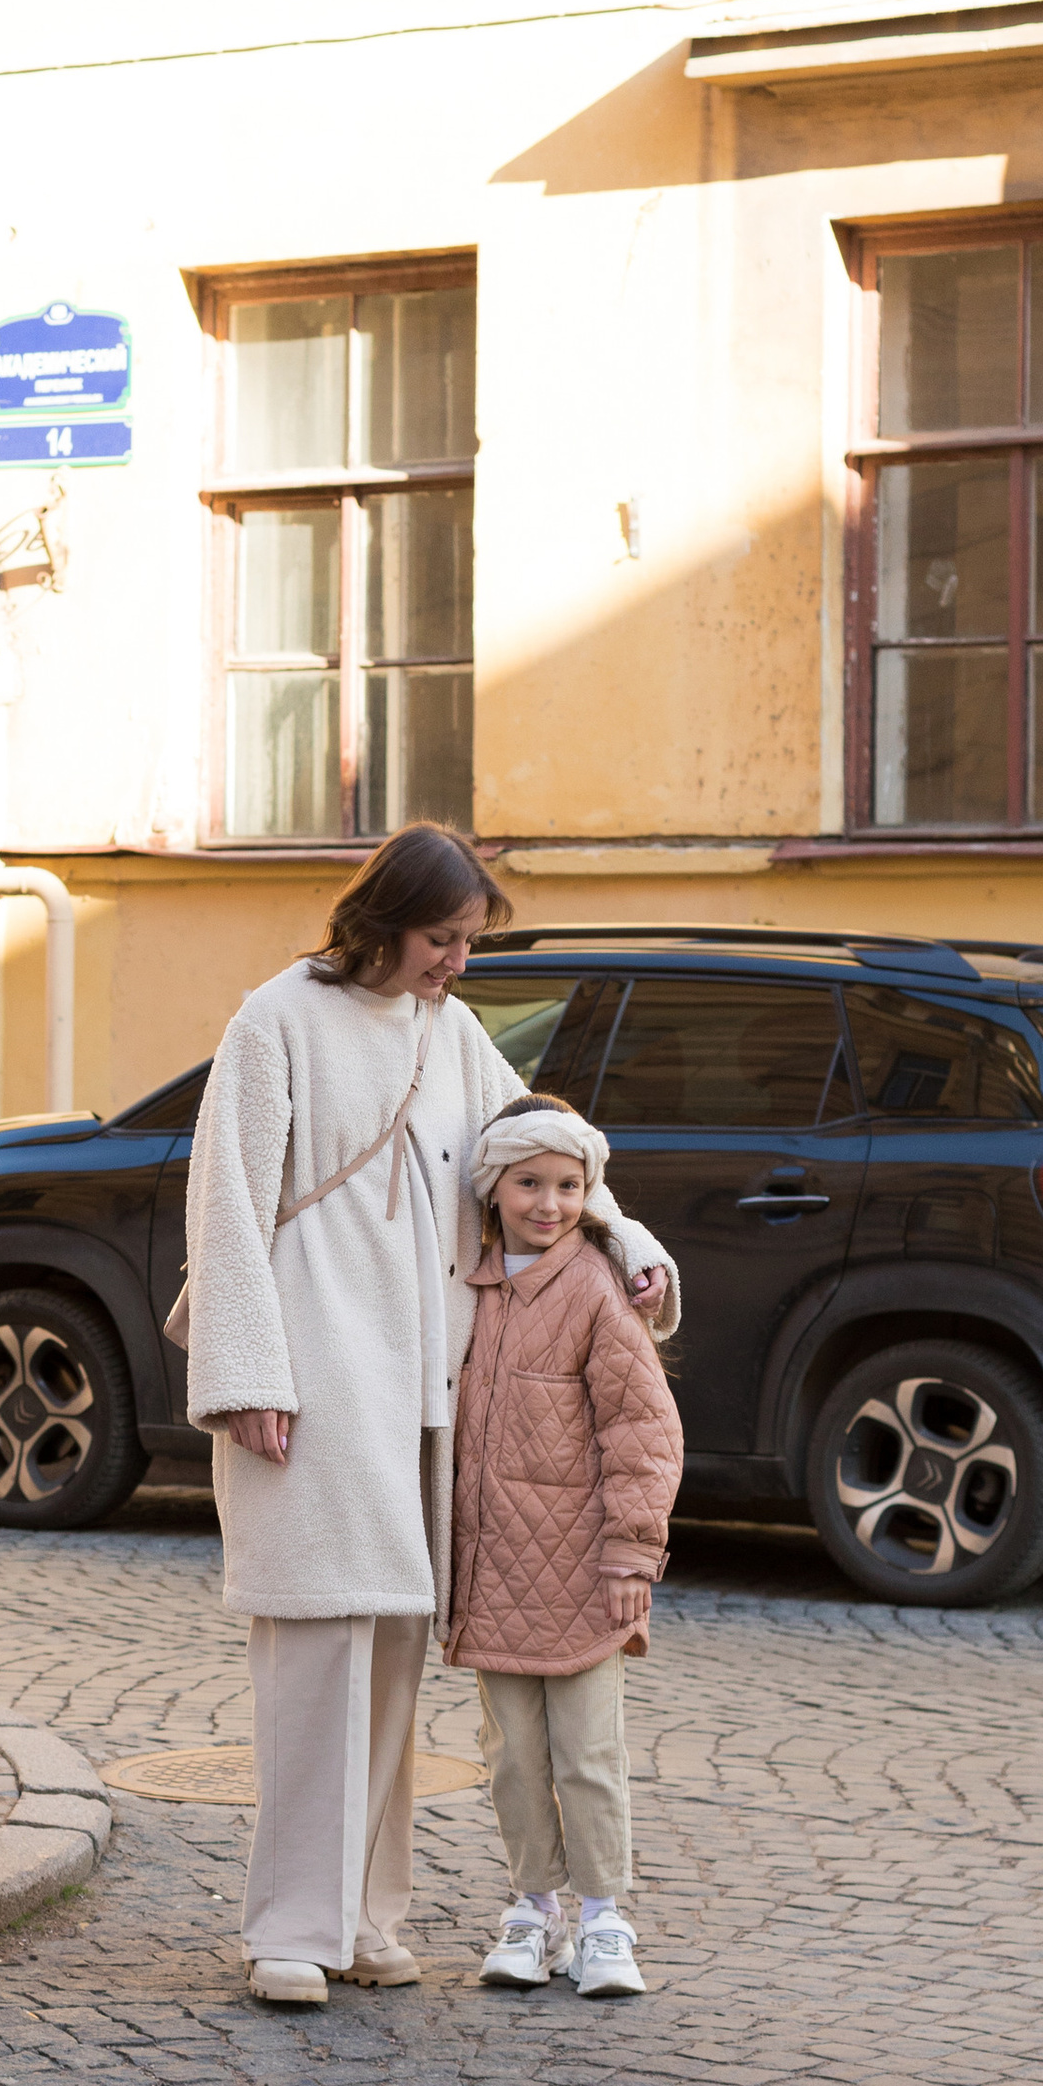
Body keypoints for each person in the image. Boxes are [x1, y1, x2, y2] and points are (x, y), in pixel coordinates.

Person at [180, 826, 671, 2009]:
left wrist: (633, 1246)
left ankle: (364, 1916)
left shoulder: (451, 1034)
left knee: (397, 1648)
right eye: (442, 939)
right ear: (382, 921)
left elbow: (547, 1161)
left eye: (467, 943)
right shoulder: (275, 1019)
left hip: (431, 1388)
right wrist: (247, 1374)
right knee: (315, 1644)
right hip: (308, 1373)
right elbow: (228, 1195)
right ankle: (287, 1931)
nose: (458, 962)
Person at [447, 1096, 684, 1999]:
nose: (548, 1203)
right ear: (493, 1187)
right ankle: (533, 1907)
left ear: (592, 1193)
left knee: (587, 1753)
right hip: (492, 1566)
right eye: (529, 1184)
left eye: (568, 1186)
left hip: (586, 1570)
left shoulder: (592, 1286)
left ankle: (603, 1919)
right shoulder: (463, 1282)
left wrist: (632, 1556)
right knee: (512, 1755)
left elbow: (642, 1430)